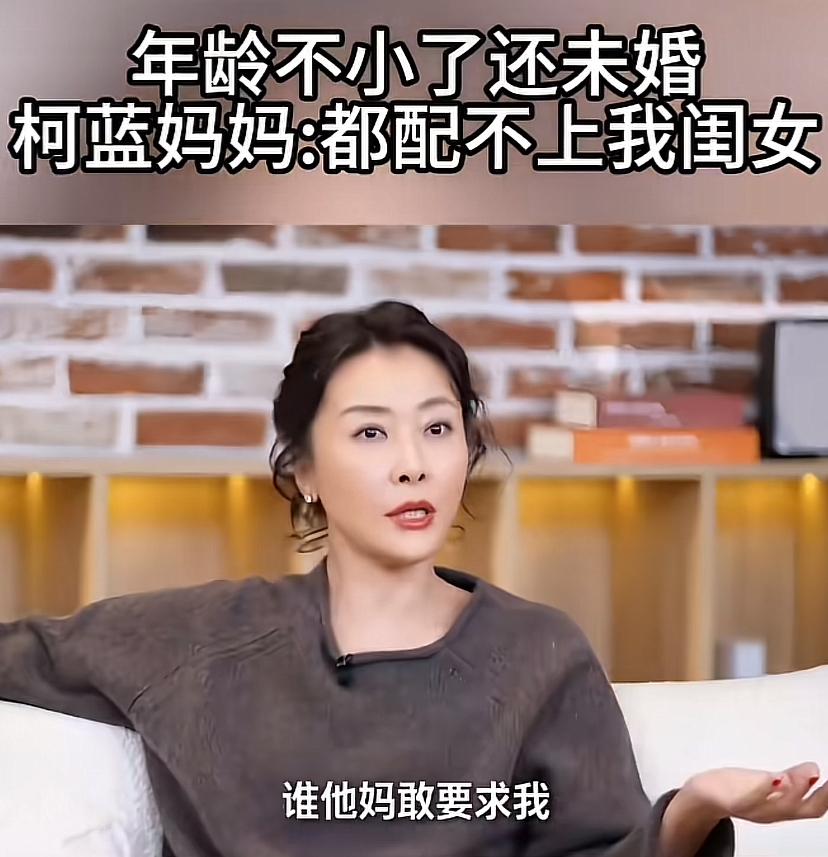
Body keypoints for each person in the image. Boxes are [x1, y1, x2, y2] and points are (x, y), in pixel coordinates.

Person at [0, 299, 825, 857]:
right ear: (304, 470)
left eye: (437, 428)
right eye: (371, 433)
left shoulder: (537, 653)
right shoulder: (198, 640)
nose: (412, 464)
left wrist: (697, 803)